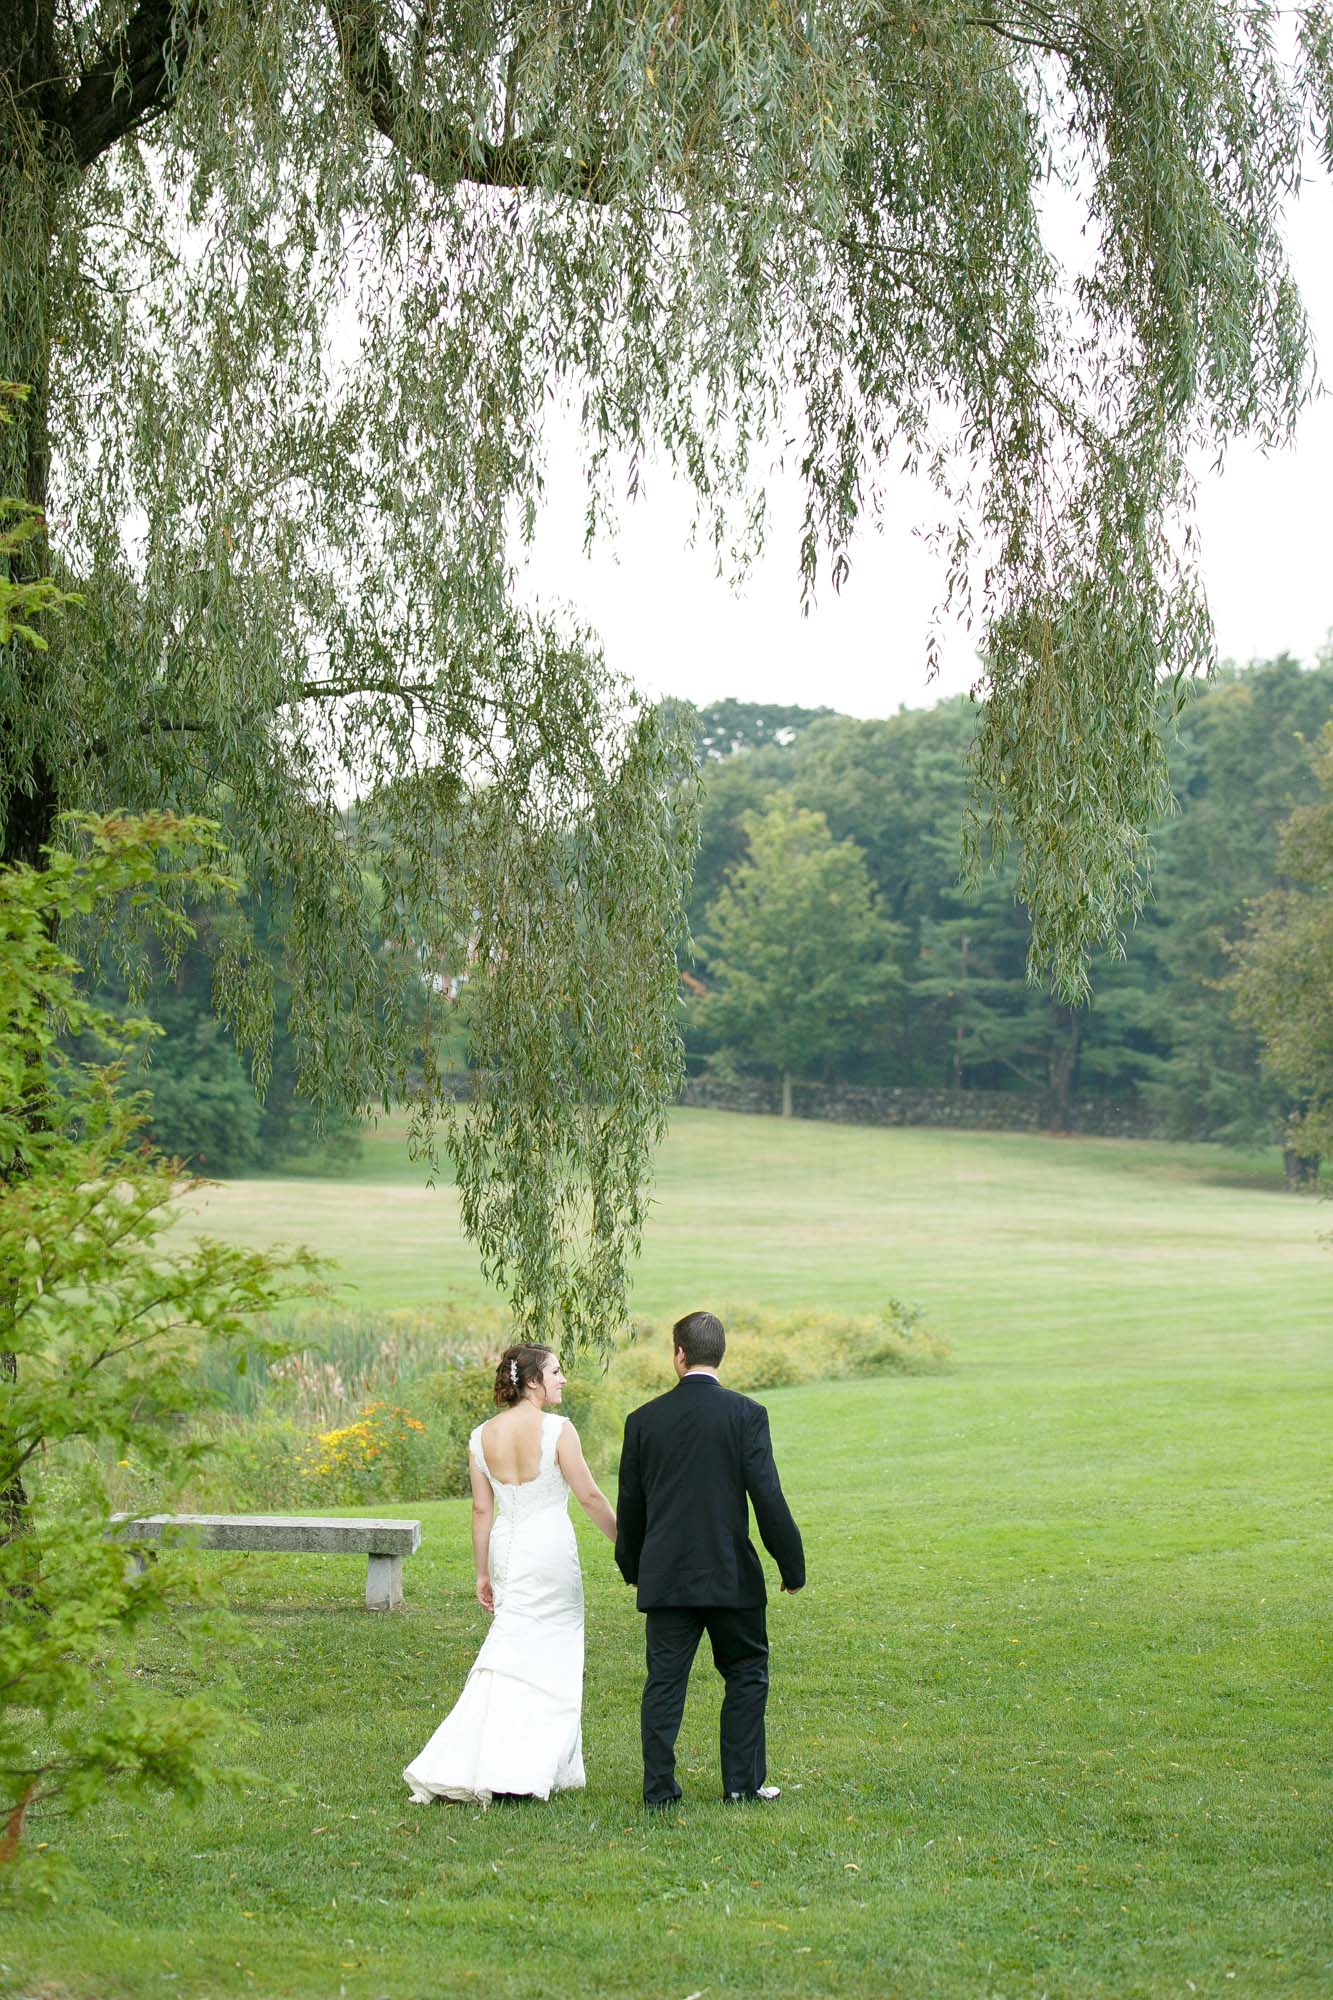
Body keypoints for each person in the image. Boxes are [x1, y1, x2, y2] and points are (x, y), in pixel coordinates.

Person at [403, 1343, 617, 1806]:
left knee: (509, 1650)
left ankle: (487, 1760)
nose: (563, 1379)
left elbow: (483, 1510)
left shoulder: (481, 1436)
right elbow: (590, 1498)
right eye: (557, 1372)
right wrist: (628, 1544)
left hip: (507, 1550)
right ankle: (527, 1767)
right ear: (534, 1381)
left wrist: (482, 1572)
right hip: (549, 1551)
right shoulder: (559, 1430)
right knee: (553, 1652)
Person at [614, 1308, 805, 1808]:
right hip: (730, 1574)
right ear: (719, 1355)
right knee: (745, 1674)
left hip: (667, 1577)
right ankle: (742, 1785)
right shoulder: (746, 1414)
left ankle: (659, 1790)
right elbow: (767, 1495)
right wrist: (791, 1566)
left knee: (664, 1684)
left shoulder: (643, 1420)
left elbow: (631, 1505)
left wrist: (632, 1567)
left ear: (679, 1354)